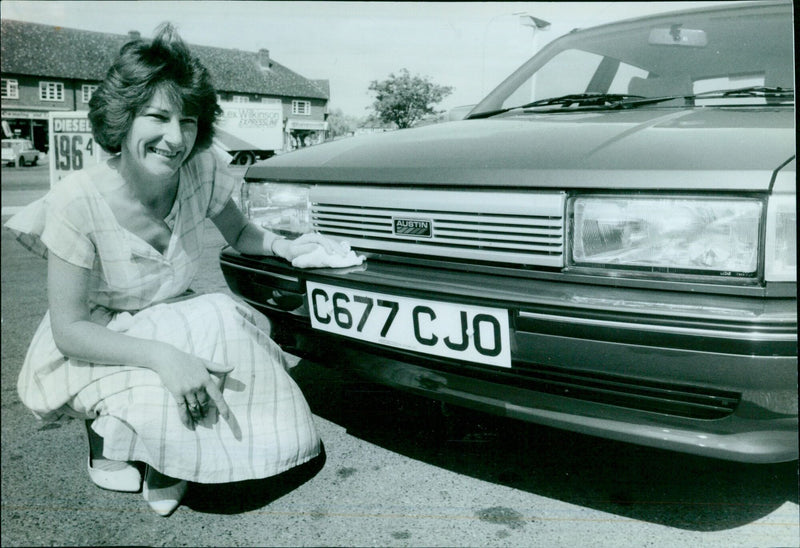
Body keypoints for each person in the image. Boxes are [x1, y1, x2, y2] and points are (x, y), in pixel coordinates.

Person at [4, 23, 360, 517]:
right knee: (180, 367)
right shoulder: (75, 200)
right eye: (157, 116)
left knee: (220, 318)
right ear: (121, 119)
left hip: (175, 315)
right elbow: (69, 331)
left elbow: (241, 234)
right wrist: (164, 360)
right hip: (101, 336)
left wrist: (291, 248)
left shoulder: (200, 168)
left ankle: (171, 449)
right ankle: (108, 437)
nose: (175, 138)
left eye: (188, 121)